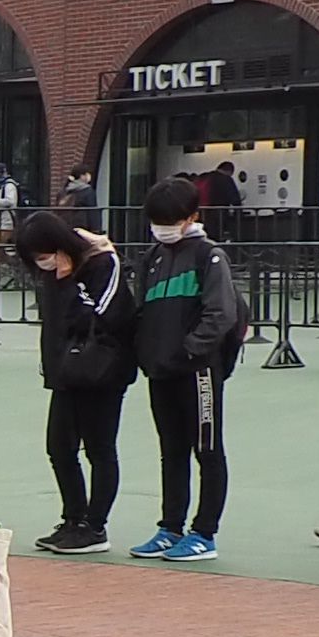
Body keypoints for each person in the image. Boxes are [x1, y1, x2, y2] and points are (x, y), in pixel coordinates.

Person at [124, 174, 248, 563]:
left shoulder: (209, 255)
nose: (162, 228)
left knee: (207, 449)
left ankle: (204, 532)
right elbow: (140, 310)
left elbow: (221, 313)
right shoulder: (152, 257)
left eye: (169, 219)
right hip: (159, 371)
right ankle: (170, 527)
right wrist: (146, 354)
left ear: (192, 215)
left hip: (198, 373)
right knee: (170, 450)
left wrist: (191, 350)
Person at [8, 209, 135, 555]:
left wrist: (68, 280)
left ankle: (95, 527)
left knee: (100, 449)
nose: (41, 263)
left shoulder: (102, 262)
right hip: (66, 373)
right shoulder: (52, 274)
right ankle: (73, 519)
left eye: (43, 255)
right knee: (59, 448)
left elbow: (105, 315)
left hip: (102, 372)